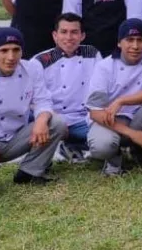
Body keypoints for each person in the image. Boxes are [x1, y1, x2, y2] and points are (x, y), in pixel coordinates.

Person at [0, 28, 66, 187]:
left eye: (16, 50)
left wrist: (41, 120)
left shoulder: (31, 69)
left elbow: (43, 100)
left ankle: (29, 172)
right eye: (4, 50)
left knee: (56, 123)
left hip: (14, 139)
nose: (11, 57)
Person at [85, 18, 142, 178]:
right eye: (129, 40)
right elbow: (95, 113)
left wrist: (121, 101)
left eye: (140, 40)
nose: (135, 46)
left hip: (139, 117)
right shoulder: (104, 67)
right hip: (110, 121)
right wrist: (133, 134)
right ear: (119, 43)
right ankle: (113, 159)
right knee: (101, 146)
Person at [33, 13, 101, 163]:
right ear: (55, 35)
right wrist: (52, 120)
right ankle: (66, 145)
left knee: (103, 138)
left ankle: (71, 145)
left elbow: (98, 90)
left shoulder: (93, 53)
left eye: (74, 32)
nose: (69, 37)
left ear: (82, 35)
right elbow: (34, 99)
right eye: (64, 32)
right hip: (53, 119)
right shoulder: (40, 61)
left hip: (83, 119)